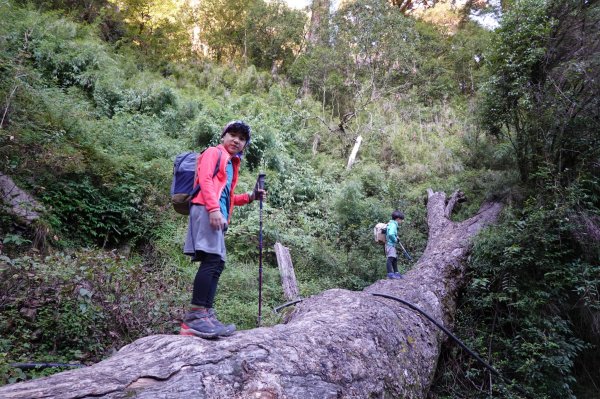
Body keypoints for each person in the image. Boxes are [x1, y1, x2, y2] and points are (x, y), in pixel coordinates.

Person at [180, 120, 265, 339]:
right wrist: (214, 209)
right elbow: (206, 181)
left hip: (215, 212)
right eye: (233, 135)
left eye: (242, 138)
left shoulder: (230, 164)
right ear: (223, 136)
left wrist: (250, 197)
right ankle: (195, 318)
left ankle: (206, 314)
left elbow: (227, 197)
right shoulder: (213, 153)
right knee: (211, 260)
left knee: (217, 263)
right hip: (206, 210)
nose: (237, 140)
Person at [385, 210, 405, 279]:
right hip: (390, 244)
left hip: (390, 244)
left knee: (394, 258)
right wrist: (395, 239)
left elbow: (391, 233)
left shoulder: (391, 224)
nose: (402, 221)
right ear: (398, 219)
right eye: (401, 220)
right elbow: (391, 234)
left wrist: (396, 237)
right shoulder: (393, 225)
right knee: (390, 258)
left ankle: (396, 273)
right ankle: (390, 274)